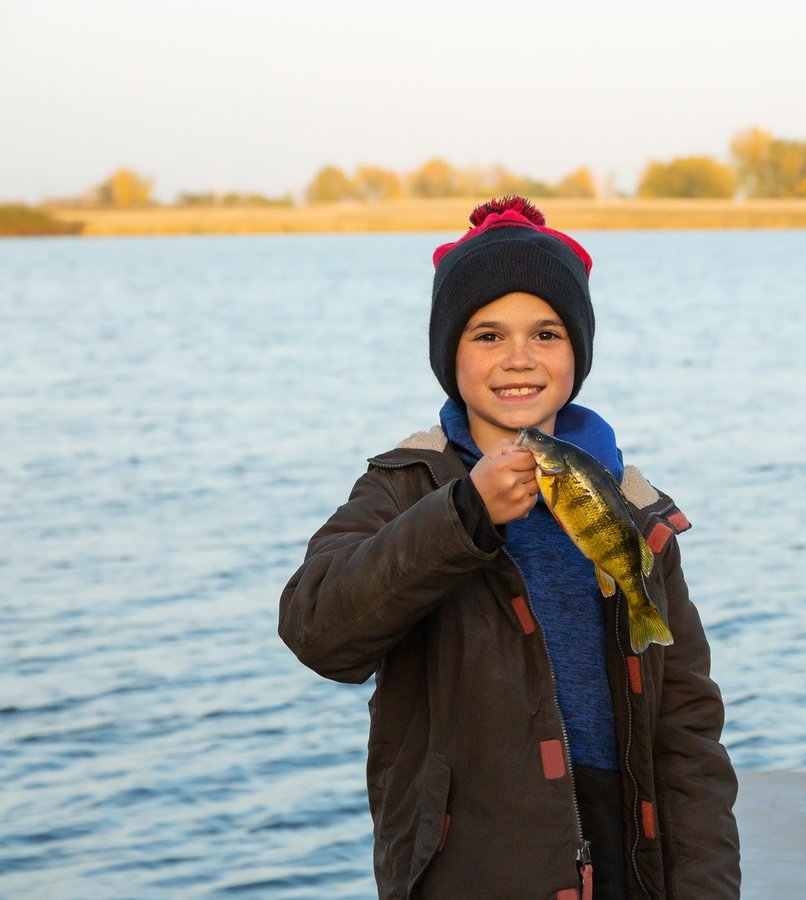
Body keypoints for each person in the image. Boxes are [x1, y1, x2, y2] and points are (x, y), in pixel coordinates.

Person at [278, 196, 740, 900]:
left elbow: (689, 739)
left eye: (547, 334)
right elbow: (318, 631)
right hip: (474, 873)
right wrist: (464, 514)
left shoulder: (634, 508)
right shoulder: (406, 487)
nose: (519, 360)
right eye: (488, 336)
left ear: (576, 352)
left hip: (624, 866)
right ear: (448, 356)